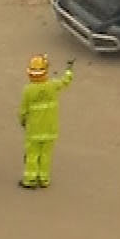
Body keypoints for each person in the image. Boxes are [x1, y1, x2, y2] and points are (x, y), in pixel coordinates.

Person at [17, 55, 75, 189]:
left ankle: (30, 180)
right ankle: (44, 179)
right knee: (46, 156)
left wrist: (22, 122)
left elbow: (22, 111)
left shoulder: (28, 90)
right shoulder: (52, 85)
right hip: (50, 129)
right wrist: (69, 70)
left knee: (32, 156)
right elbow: (65, 81)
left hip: (34, 130)